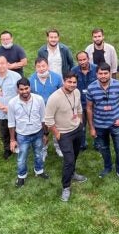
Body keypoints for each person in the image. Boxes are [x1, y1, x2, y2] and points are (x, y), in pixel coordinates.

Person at [45, 72, 88, 202]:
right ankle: (66, 187)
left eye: (74, 82)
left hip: (77, 129)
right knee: (69, 160)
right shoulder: (54, 98)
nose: (72, 85)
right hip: (64, 134)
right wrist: (57, 133)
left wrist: (80, 122)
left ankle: (73, 173)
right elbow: (48, 120)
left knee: (75, 154)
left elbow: (79, 108)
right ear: (64, 81)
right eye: (69, 82)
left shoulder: (77, 92)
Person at [86, 63, 119, 181]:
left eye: (105, 73)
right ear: (96, 74)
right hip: (99, 125)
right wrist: (91, 127)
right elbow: (89, 108)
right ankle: (107, 167)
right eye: (100, 73)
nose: (103, 76)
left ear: (110, 73)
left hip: (116, 124)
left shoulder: (118, 85)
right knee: (104, 148)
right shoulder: (91, 88)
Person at [8, 79, 48, 188]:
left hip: (38, 133)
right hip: (22, 135)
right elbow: (11, 123)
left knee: (39, 154)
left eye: (26, 88)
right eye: (21, 89)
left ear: (30, 87)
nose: (24, 91)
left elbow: (43, 118)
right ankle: (21, 176)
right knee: (22, 157)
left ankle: (39, 171)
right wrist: (12, 140)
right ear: (18, 90)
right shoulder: (12, 103)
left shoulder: (39, 99)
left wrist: (45, 134)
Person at [29, 57, 64, 158]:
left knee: (57, 129)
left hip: (55, 110)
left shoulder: (57, 77)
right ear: (35, 68)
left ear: (48, 66)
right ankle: (43, 150)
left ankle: (58, 147)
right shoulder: (31, 79)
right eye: (38, 66)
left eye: (43, 66)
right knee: (42, 132)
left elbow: (62, 92)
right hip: (40, 111)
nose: (41, 68)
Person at [71, 51, 97, 150]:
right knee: (81, 125)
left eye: (84, 59)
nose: (82, 62)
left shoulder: (96, 69)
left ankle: (97, 143)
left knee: (95, 123)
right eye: (80, 60)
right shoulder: (74, 71)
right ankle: (82, 144)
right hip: (80, 104)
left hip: (94, 103)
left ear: (88, 59)